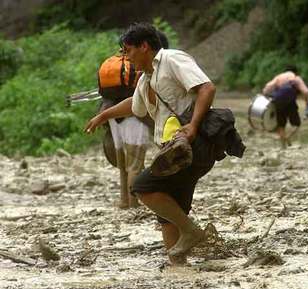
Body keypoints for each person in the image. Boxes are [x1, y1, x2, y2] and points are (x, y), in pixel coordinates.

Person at [85, 23, 245, 265]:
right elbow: (134, 105)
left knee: (142, 187)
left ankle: (192, 233)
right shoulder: (145, 80)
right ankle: (179, 269)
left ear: (145, 46)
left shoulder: (171, 59)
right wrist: (103, 115)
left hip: (193, 144)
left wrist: (191, 126)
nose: (126, 56)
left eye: (128, 50)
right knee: (168, 216)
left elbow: (206, 87)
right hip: (173, 152)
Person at [101, 31, 169, 209]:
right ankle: (133, 204)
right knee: (135, 165)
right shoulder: (147, 66)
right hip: (133, 119)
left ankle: (124, 201)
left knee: (123, 165)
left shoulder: (118, 66)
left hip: (113, 117)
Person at [262, 66, 308, 148]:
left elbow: (267, 88)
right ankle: (288, 137)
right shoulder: (295, 77)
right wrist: (307, 101)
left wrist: (265, 96)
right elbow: (306, 91)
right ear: (295, 72)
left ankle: (283, 145)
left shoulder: (279, 77)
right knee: (296, 124)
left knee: (281, 124)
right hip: (290, 102)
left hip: (278, 101)